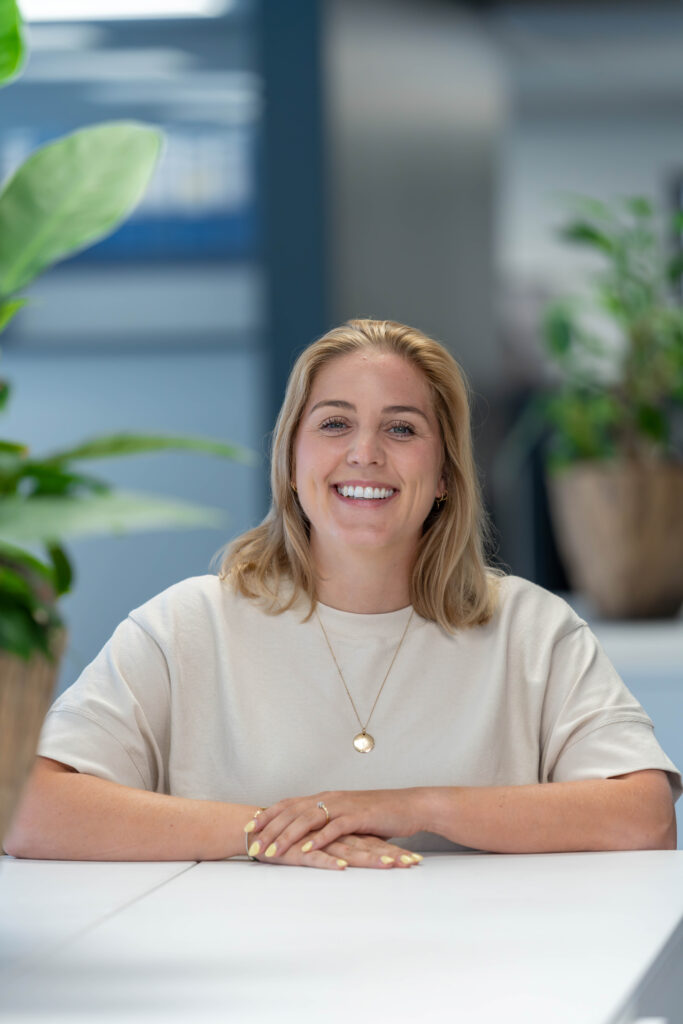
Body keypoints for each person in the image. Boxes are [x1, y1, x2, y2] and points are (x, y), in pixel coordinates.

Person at [6, 319, 680, 868]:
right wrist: (272, 832)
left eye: (402, 428)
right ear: (292, 462)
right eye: (333, 424)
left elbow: (643, 817)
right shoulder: (187, 624)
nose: (365, 453)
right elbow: (29, 809)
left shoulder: (532, 629)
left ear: (445, 474)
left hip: (477, 977)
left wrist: (408, 808)